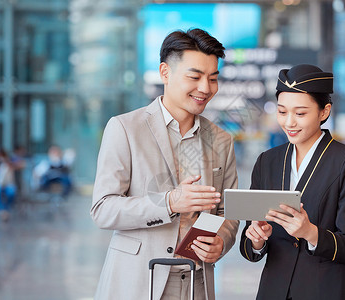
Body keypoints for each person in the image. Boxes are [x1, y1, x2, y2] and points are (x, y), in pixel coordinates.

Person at [91, 28, 239, 300]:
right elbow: (103, 209)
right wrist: (169, 202)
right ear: (165, 72)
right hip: (137, 280)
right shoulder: (125, 128)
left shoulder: (221, 140)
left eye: (213, 78)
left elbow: (228, 212)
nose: (205, 88)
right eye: (194, 77)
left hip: (197, 284)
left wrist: (222, 242)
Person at [240, 64, 345, 299]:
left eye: (300, 113)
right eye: (281, 112)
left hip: (327, 290)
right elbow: (249, 246)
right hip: (274, 290)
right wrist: (256, 239)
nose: (289, 122)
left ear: (324, 111)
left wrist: (310, 233)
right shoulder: (267, 161)